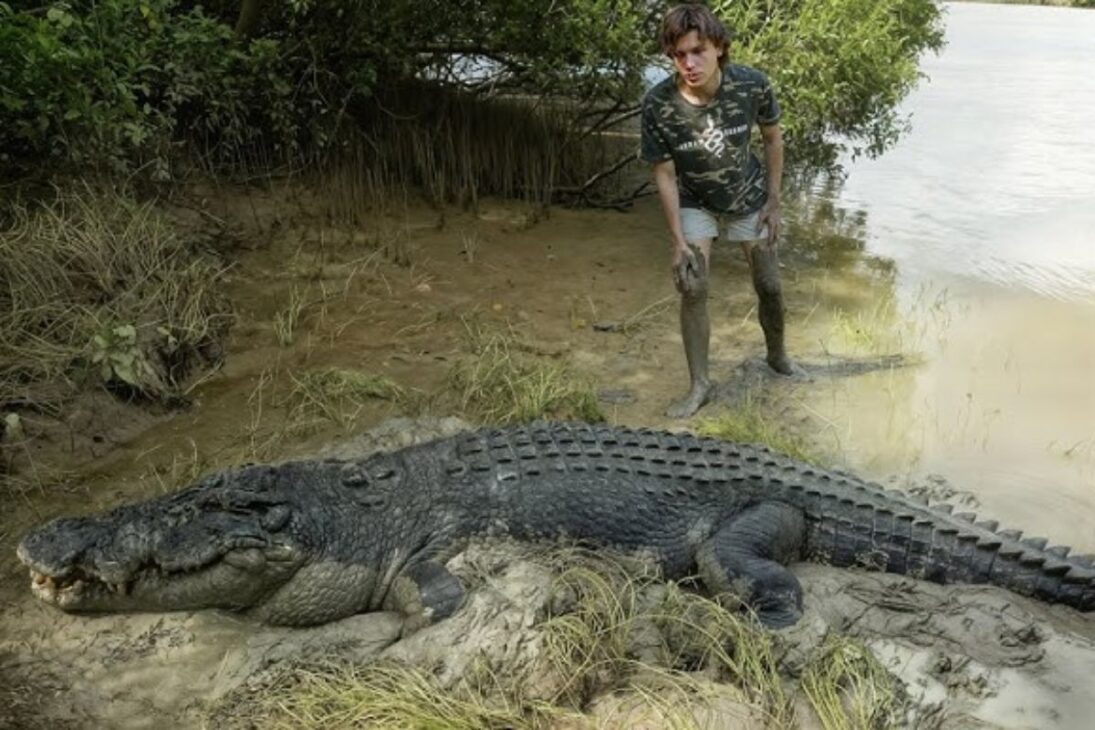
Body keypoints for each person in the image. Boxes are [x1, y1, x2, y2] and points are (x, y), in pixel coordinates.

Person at [641, 3, 794, 419]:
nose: (688, 63)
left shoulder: (751, 85)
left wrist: (774, 201)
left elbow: (773, 139)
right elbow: (665, 176)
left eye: (698, 51)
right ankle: (699, 386)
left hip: (749, 194)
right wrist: (677, 242)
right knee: (692, 287)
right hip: (694, 200)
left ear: (720, 48)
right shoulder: (658, 104)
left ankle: (777, 356)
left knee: (770, 285)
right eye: (678, 55)